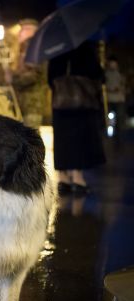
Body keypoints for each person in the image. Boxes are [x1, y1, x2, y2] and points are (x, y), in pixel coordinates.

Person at [48, 41, 106, 195]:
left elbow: (50, 79)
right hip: (81, 103)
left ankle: (63, 177)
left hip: (60, 102)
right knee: (79, 137)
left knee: (62, 138)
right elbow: (98, 74)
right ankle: (77, 176)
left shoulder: (56, 49)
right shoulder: (84, 47)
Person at [10, 19, 48, 129]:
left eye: (24, 29)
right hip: (24, 105)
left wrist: (13, 79)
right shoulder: (26, 49)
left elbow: (34, 75)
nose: (19, 33)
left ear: (33, 31)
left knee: (31, 139)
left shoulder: (35, 49)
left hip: (32, 105)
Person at [105, 56, 127, 142]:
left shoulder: (120, 74)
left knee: (120, 117)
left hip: (119, 99)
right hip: (110, 99)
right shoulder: (106, 74)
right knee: (110, 118)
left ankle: (120, 136)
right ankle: (111, 135)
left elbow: (123, 85)